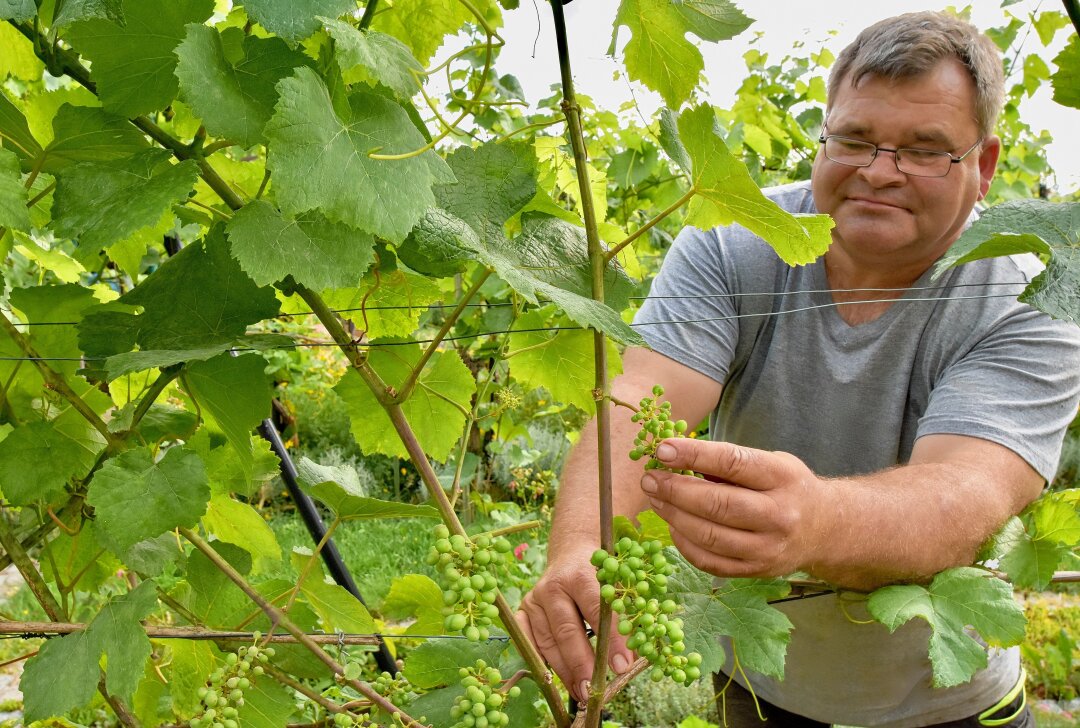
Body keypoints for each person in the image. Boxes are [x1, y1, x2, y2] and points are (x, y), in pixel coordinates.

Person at [517, 10, 1080, 728]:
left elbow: (965, 497)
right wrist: (578, 550)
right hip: (757, 693)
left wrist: (814, 520)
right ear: (825, 134)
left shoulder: (1031, 296)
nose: (880, 171)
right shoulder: (734, 247)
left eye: (925, 150)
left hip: (948, 709)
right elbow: (637, 403)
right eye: (854, 140)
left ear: (986, 165)